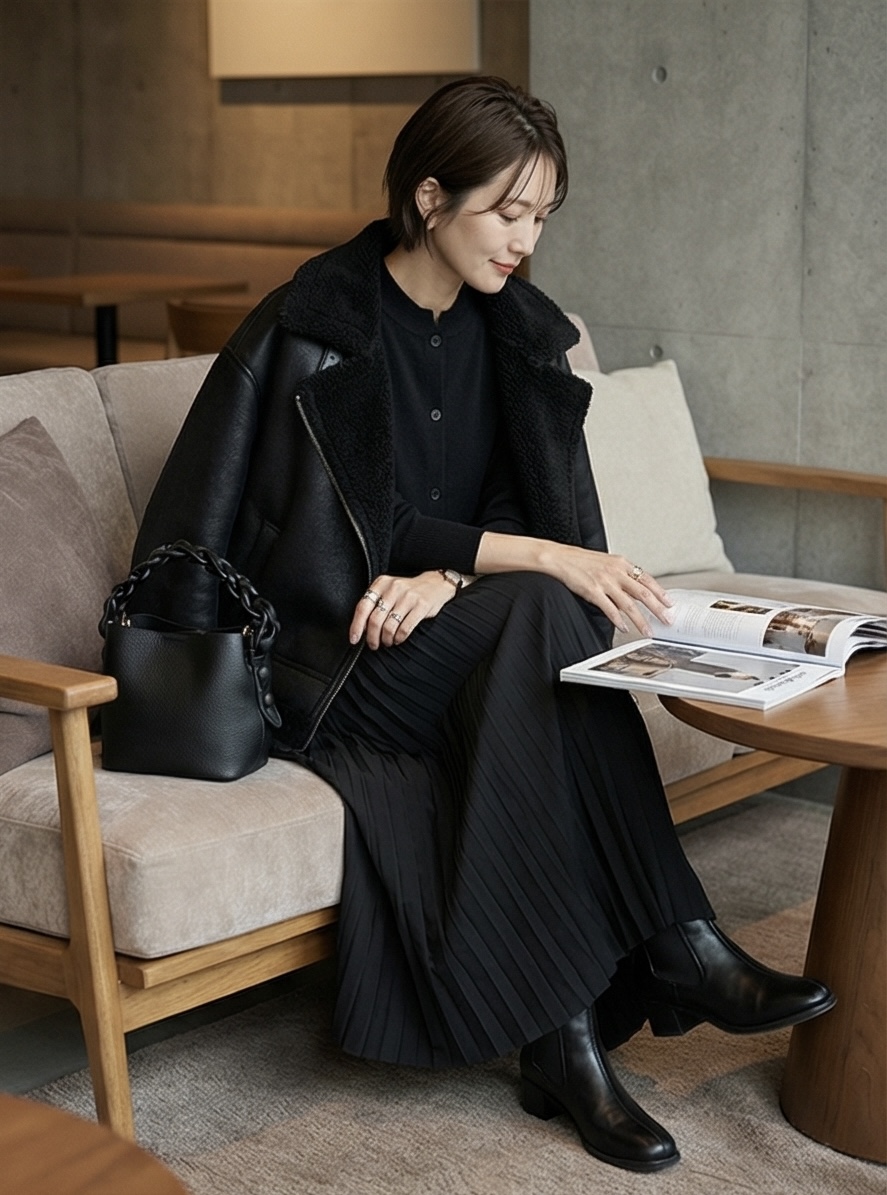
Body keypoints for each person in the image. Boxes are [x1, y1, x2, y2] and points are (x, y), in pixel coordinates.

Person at [133, 77, 834, 1173]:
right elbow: (351, 525)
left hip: (453, 630)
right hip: (332, 657)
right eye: (507, 212)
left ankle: (567, 1034)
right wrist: (520, 558)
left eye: (541, 216)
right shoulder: (312, 326)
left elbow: (509, 510)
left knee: (540, 639)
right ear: (428, 198)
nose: (525, 241)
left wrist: (451, 578)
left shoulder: (511, 336)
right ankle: (672, 944)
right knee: (548, 601)